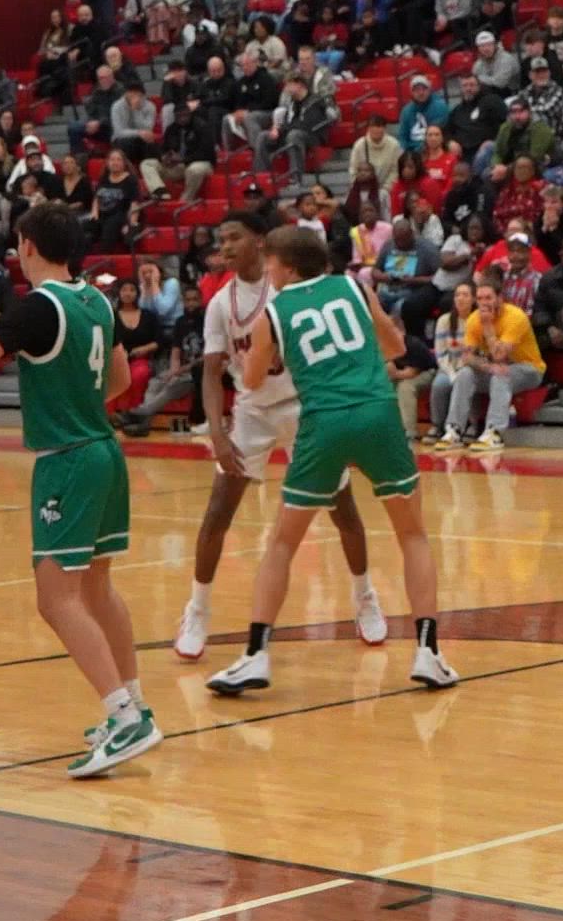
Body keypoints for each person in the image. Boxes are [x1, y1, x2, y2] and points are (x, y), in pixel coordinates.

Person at [0, 204, 164, 777]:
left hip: (67, 460)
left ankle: (121, 715)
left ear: (27, 245)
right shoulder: (97, 301)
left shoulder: (39, 308)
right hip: (106, 452)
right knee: (97, 588)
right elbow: (117, 381)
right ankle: (132, 704)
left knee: (55, 597)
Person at [206, 224, 457, 699]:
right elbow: (396, 346)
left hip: (322, 423)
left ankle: (255, 654)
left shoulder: (273, 312)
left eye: (273, 264)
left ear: (288, 267)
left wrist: (270, 357)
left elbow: (254, 381)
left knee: (282, 542)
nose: (269, 273)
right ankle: (428, 652)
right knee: (412, 533)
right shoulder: (354, 286)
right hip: (376, 413)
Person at [178, 215, 381, 661]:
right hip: (251, 413)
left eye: (234, 237)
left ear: (260, 243)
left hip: (303, 406)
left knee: (342, 508)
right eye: (220, 239)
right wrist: (216, 429)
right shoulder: (220, 304)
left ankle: (364, 596)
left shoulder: (290, 290)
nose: (225, 246)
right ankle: (197, 609)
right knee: (217, 513)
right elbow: (211, 373)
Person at [428, 272, 542, 451]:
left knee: (501, 375)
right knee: (465, 373)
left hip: (528, 369)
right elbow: (467, 357)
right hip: (495, 368)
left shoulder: (516, 317)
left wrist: (488, 327)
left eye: (488, 297)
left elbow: (500, 356)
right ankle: (454, 430)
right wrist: (486, 366)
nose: (484, 302)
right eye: (480, 298)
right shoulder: (474, 319)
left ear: (500, 298)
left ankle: (493, 432)